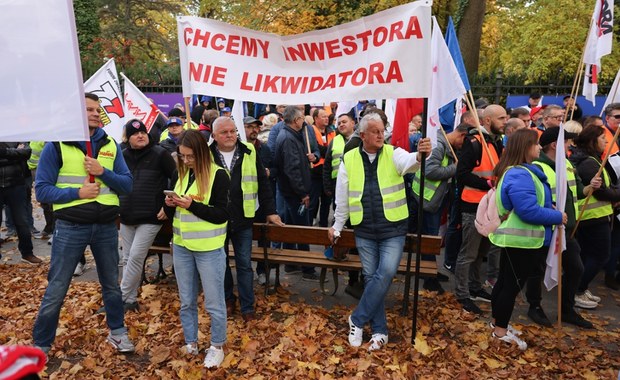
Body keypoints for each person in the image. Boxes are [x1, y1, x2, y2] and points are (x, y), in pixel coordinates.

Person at [32, 92, 135, 356]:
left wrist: (103, 172)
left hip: (105, 228)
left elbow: (127, 184)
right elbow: (42, 190)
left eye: (96, 109)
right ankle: (41, 345)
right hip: (70, 227)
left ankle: (118, 333)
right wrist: (76, 194)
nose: (94, 113)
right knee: (57, 287)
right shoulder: (56, 146)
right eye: (88, 109)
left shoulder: (110, 144)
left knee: (111, 285)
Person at [328, 112, 432, 351]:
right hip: (364, 229)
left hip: (393, 228)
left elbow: (409, 162)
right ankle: (380, 331)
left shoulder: (392, 152)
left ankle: (357, 319)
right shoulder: (350, 158)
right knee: (372, 277)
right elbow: (342, 197)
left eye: (382, 130)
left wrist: (419, 155)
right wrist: (337, 226)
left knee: (384, 274)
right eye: (375, 131)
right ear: (362, 135)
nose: (380, 134)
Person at [488, 128, 565, 350]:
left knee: (505, 284)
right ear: (525, 147)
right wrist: (557, 216)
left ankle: (497, 325)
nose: (540, 148)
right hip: (522, 241)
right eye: (536, 144)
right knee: (510, 287)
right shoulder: (520, 173)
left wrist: (547, 207)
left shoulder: (518, 172)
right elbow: (528, 211)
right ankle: (500, 332)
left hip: (519, 240)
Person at [164, 129, 230, 368]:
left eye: (190, 156)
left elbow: (222, 215)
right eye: (182, 156)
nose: (186, 160)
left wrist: (192, 205)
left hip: (209, 249)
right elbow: (172, 213)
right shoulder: (179, 172)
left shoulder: (219, 175)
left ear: (202, 153)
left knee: (214, 302)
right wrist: (169, 203)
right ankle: (191, 341)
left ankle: (217, 345)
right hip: (182, 246)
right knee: (186, 300)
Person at [210, 117, 282, 321]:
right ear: (214, 135)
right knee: (220, 263)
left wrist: (270, 210)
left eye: (232, 131)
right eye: (224, 132)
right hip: (217, 218)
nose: (230, 135)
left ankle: (247, 306)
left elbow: (263, 183)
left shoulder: (249, 151)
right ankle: (227, 299)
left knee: (244, 263)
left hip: (243, 218)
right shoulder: (206, 155)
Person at [527, 127, 600, 328]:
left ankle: (566, 310)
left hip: (567, 231)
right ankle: (534, 307)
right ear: (554, 145)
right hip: (545, 230)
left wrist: (590, 186)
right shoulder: (538, 167)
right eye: (567, 142)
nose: (571, 145)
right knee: (537, 270)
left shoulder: (566, 164)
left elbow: (579, 191)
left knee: (576, 268)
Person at [117, 119, 176, 311]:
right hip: (126, 216)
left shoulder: (160, 154)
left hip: (151, 217)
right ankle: (130, 300)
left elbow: (177, 179)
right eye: (135, 133)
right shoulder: (122, 156)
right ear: (128, 138)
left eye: (143, 132)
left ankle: (120, 299)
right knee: (127, 258)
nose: (140, 135)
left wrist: (168, 207)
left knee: (135, 257)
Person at [454, 104, 506, 315]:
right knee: (469, 252)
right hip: (474, 205)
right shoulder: (474, 142)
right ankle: (462, 294)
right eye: (501, 118)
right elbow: (462, 173)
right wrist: (486, 184)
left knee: (482, 251)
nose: (505, 121)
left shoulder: (497, 142)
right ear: (487, 121)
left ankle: (475, 287)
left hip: (491, 205)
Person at [411, 123, 468, 294]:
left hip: (432, 199)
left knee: (429, 237)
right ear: (461, 135)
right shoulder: (439, 145)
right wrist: (457, 167)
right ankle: (429, 279)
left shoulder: (447, 145)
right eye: (464, 142)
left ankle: (429, 271)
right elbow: (430, 171)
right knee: (429, 238)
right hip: (426, 200)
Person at [570, 125, 620, 308]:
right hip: (592, 217)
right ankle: (577, 289)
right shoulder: (589, 163)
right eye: (602, 139)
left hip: (597, 216)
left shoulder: (592, 159)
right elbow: (602, 193)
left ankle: (579, 288)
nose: (606, 141)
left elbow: (608, 187)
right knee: (600, 255)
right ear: (592, 141)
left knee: (588, 256)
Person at [274, 106, 321, 281]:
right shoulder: (288, 138)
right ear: (295, 121)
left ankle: (291, 263)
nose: (304, 121)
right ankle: (307, 268)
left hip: (291, 191)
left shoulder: (291, 135)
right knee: (302, 230)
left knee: (291, 226)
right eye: (302, 118)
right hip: (295, 193)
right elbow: (292, 169)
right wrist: (303, 193)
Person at [0, 142, 41, 263]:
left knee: (22, 222)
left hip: (16, 185)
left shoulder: (16, 134)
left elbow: (26, 152)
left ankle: (27, 253)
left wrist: (4, 153)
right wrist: (14, 155)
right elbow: (20, 154)